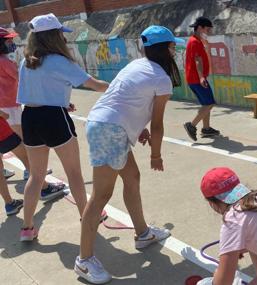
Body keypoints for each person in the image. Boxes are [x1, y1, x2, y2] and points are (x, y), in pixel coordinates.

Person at [75, 25, 182, 284]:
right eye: (172, 46)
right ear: (165, 49)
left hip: (110, 127)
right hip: (110, 130)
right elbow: (157, 124)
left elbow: (127, 101)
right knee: (101, 195)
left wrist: (136, 129)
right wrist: (156, 155)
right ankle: (84, 260)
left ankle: (143, 233)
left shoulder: (138, 65)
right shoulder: (161, 78)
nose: (175, 50)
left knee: (132, 177)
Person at [17, 13, 109, 241]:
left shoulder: (26, 61)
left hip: (30, 117)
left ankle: (27, 228)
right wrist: (121, 86)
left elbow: (33, 93)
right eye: (60, 33)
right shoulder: (59, 60)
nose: (63, 37)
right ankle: (87, 216)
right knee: (74, 173)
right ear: (53, 36)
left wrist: (61, 100)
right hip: (54, 118)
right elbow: (95, 85)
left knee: (36, 176)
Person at [0, 27, 65, 199]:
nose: (11, 44)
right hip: (10, 105)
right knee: (25, 141)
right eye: (8, 41)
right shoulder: (5, 62)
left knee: (19, 140)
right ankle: (34, 174)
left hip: (5, 106)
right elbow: (22, 79)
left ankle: (32, 171)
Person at [183, 16, 220, 141]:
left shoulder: (197, 41)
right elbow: (197, 60)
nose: (208, 32)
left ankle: (206, 129)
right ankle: (191, 125)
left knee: (206, 103)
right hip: (196, 79)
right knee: (209, 103)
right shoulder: (194, 42)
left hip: (195, 78)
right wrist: (201, 77)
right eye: (207, 29)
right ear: (200, 28)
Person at [0, 110, 23, 216]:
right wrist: (5, 115)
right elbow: (4, 114)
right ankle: (45, 188)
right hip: (3, 134)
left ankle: (9, 203)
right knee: (27, 157)